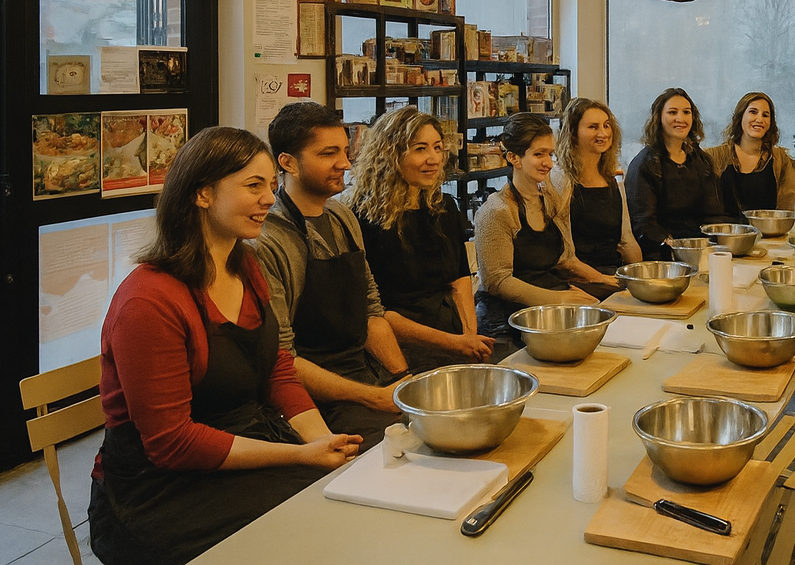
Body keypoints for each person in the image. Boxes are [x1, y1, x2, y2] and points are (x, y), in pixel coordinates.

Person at [88, 127, 359, 565]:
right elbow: (172, 443)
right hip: (159, 491)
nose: (270, 199)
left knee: (344, 499)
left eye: (271, 186)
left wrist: (325, 445)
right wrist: (298, 454)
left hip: (243, 443)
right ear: (202, 194)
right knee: (312, 533)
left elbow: (277, 372)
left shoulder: (244, 266)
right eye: (253, 186)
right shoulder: (150, 301)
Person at [255, 102, 406, 445]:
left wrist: (402, 379)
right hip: (314, 400)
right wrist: (374, 397)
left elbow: (372, 312)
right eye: (329, 153)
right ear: (287, 163)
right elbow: (284, 360)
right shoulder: (267, 241)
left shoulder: (342, 217)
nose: (345, 163)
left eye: (345, 150)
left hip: (365, 374)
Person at [346, 106, 493, 371]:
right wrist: (453, 343)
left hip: (455, 336)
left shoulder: (444, 206)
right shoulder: (363, 219)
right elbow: (376, 312)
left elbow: (460, 279)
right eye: (420, 149)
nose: (434, 159)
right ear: (389, 155)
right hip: (400, 348)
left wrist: (469, 336)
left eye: (437, 147)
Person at [475, 113, 622, 341]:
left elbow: (566, 259)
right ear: (514, 157)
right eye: (539, 154)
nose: (549, 163)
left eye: (551, 154)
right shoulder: (497, 211)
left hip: (548, 301)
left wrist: (607, 281)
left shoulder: (551, 200)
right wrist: (558, 300)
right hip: (504, 318)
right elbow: (497, 282)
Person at [625, 87, 730, 259]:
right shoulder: (644, 164)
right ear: (658, 117)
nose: (680, 118)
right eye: (672, 112)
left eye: (686, 112)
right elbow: (645, 225)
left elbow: (714, 214)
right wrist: (678, 247)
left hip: (699, 247)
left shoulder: (701, 161)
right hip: (661, 253)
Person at [550, 97, 641, 276]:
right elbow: (564, 257)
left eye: (606, 125)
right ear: (573, 133)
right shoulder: (561, 180)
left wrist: (645, 276)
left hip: (613, 272)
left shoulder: (613, 181)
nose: (603, 133)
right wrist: (605, 282)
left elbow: (627, 240)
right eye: (593, 127)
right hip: (577, 278)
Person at [706, 91, 795, 217]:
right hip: (725, 234)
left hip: (769, 234)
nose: (759, 119)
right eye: (753, 112)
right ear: (740, 116)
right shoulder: (714, 156)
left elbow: (786, 209)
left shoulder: (780, 160)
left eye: (765, 115)